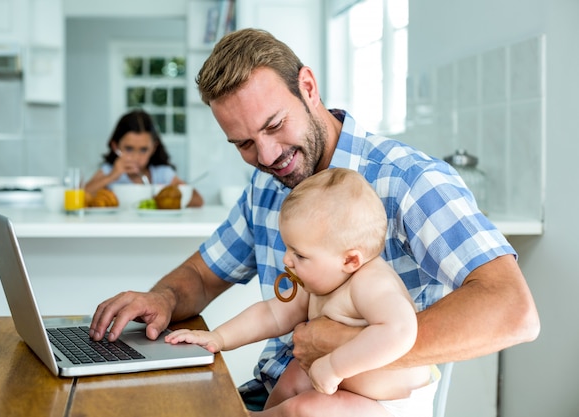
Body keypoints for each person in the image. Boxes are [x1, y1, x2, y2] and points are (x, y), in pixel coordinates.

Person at [89, 28, 540, 414]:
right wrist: (163, 297)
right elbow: (204, 275)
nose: (266, 156)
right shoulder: (269, 184)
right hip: (271, 393)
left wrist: (345, 348)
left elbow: (512, 311)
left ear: (308, 86)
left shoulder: (407, 180)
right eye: (243, 143)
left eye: (273, 125)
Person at [166, 168, 438, 416]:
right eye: (287, 248)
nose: (286, 260)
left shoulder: (371, 283)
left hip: (390, 406)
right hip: (343, 390)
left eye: (299, 254)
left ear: (350, 260)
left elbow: (401, 330)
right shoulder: (324, 280)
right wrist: (218, 338)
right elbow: (271, 314)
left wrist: (334, 367)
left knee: (305, 408)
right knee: (293, 376)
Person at [84, 109, 203, 207]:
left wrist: (166, 197)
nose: (136, 157)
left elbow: (198, 201)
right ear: (115, 147)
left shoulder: (162, 174)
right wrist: (112, 176)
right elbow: (83, 195)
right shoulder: (108, 171)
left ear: (153, 148)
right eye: (129, 149)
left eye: (143, 150)